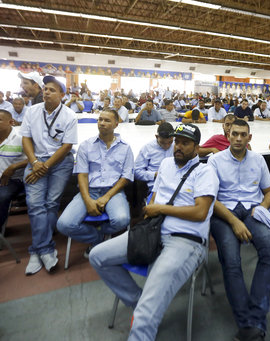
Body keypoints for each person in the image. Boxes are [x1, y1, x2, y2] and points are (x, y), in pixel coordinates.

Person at [89, 123, 218, 340]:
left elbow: (201, 213)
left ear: (196, 148)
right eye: (177, 142)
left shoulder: (206, 172)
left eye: (185, 143)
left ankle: (144, 313)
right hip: (154, 232)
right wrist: (152, 212)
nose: (178, 147)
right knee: (97, 256)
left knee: (146, 312)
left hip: (186, 241)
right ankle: (138, 300)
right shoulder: (166, 164)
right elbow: (156, 197)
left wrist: (160, 209)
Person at [208, 119, 270, 341]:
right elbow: (210, 198)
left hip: (251, 210)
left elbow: (269, 191)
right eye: (235, 134)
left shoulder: (258, 160)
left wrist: (262, 209)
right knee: (231, 261)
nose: (238, 138)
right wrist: (233, 221)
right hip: (224, 213)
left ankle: (254, 319)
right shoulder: (215, 161)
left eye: (243, 135)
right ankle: (247, 323)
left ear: (249, 137)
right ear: (228, 135)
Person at [20, 75, 77, 275]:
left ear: (62, 95)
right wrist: (35, 163)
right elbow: (25, 139)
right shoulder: (32, 112)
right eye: (45, 88)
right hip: (36, 161)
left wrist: (45, 166)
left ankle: (38, 250)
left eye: (52, 90)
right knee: (36, 204)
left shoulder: (69, 115)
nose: (46, 92)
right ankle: (43, 249)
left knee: (52, 203)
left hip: (60, 163)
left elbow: (67, 146)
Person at [56, 109, 133, 255]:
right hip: (89, 190)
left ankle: (100, 233)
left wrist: (106, 197)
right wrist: (88, 201)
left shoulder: (125, 148)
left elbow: (126, 177)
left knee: (122, 220)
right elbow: (82, 175)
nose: (102, 123)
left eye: (107, 120)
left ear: (116, 124)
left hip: (113, 191)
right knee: (64, 225)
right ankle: (97, 237)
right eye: (100, 119)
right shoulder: (86, 146)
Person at [0, 110, 28, 229]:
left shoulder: (21, 138)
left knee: (1, 197)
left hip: (14, 180)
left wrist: (13, 167)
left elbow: (34, 158)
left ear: (11, 122)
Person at [134, 122, 174, 193]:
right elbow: (136, 171)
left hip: (175, 185)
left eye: (170, 142)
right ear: (156, 137)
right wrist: (154, 174)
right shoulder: (147, 148)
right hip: (155, 187)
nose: (166, 146)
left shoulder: (177, 146)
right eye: (162, 143)